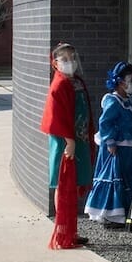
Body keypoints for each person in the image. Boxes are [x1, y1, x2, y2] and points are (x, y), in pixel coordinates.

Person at [39, 42, 94, 248]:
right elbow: (56, 117)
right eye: (64, 59)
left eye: (72, 57)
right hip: (66, 141)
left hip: (78, 140)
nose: (69, 62)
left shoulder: (76, 82)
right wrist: (69, 141)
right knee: (63, 185)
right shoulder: (59, 84)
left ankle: (72, 230)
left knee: (73, 184)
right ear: (55, 62)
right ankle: (63, 232)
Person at [84, 61, 132, 228]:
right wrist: (110, 142)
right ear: (120, 81)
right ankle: (109, 215)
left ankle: (123, 212)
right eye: (130, 79)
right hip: (116, 147)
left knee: (128, 177)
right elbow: (105, 122)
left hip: (131, 146)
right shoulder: (113, 100)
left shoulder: (131, 100)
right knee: (114, 178)